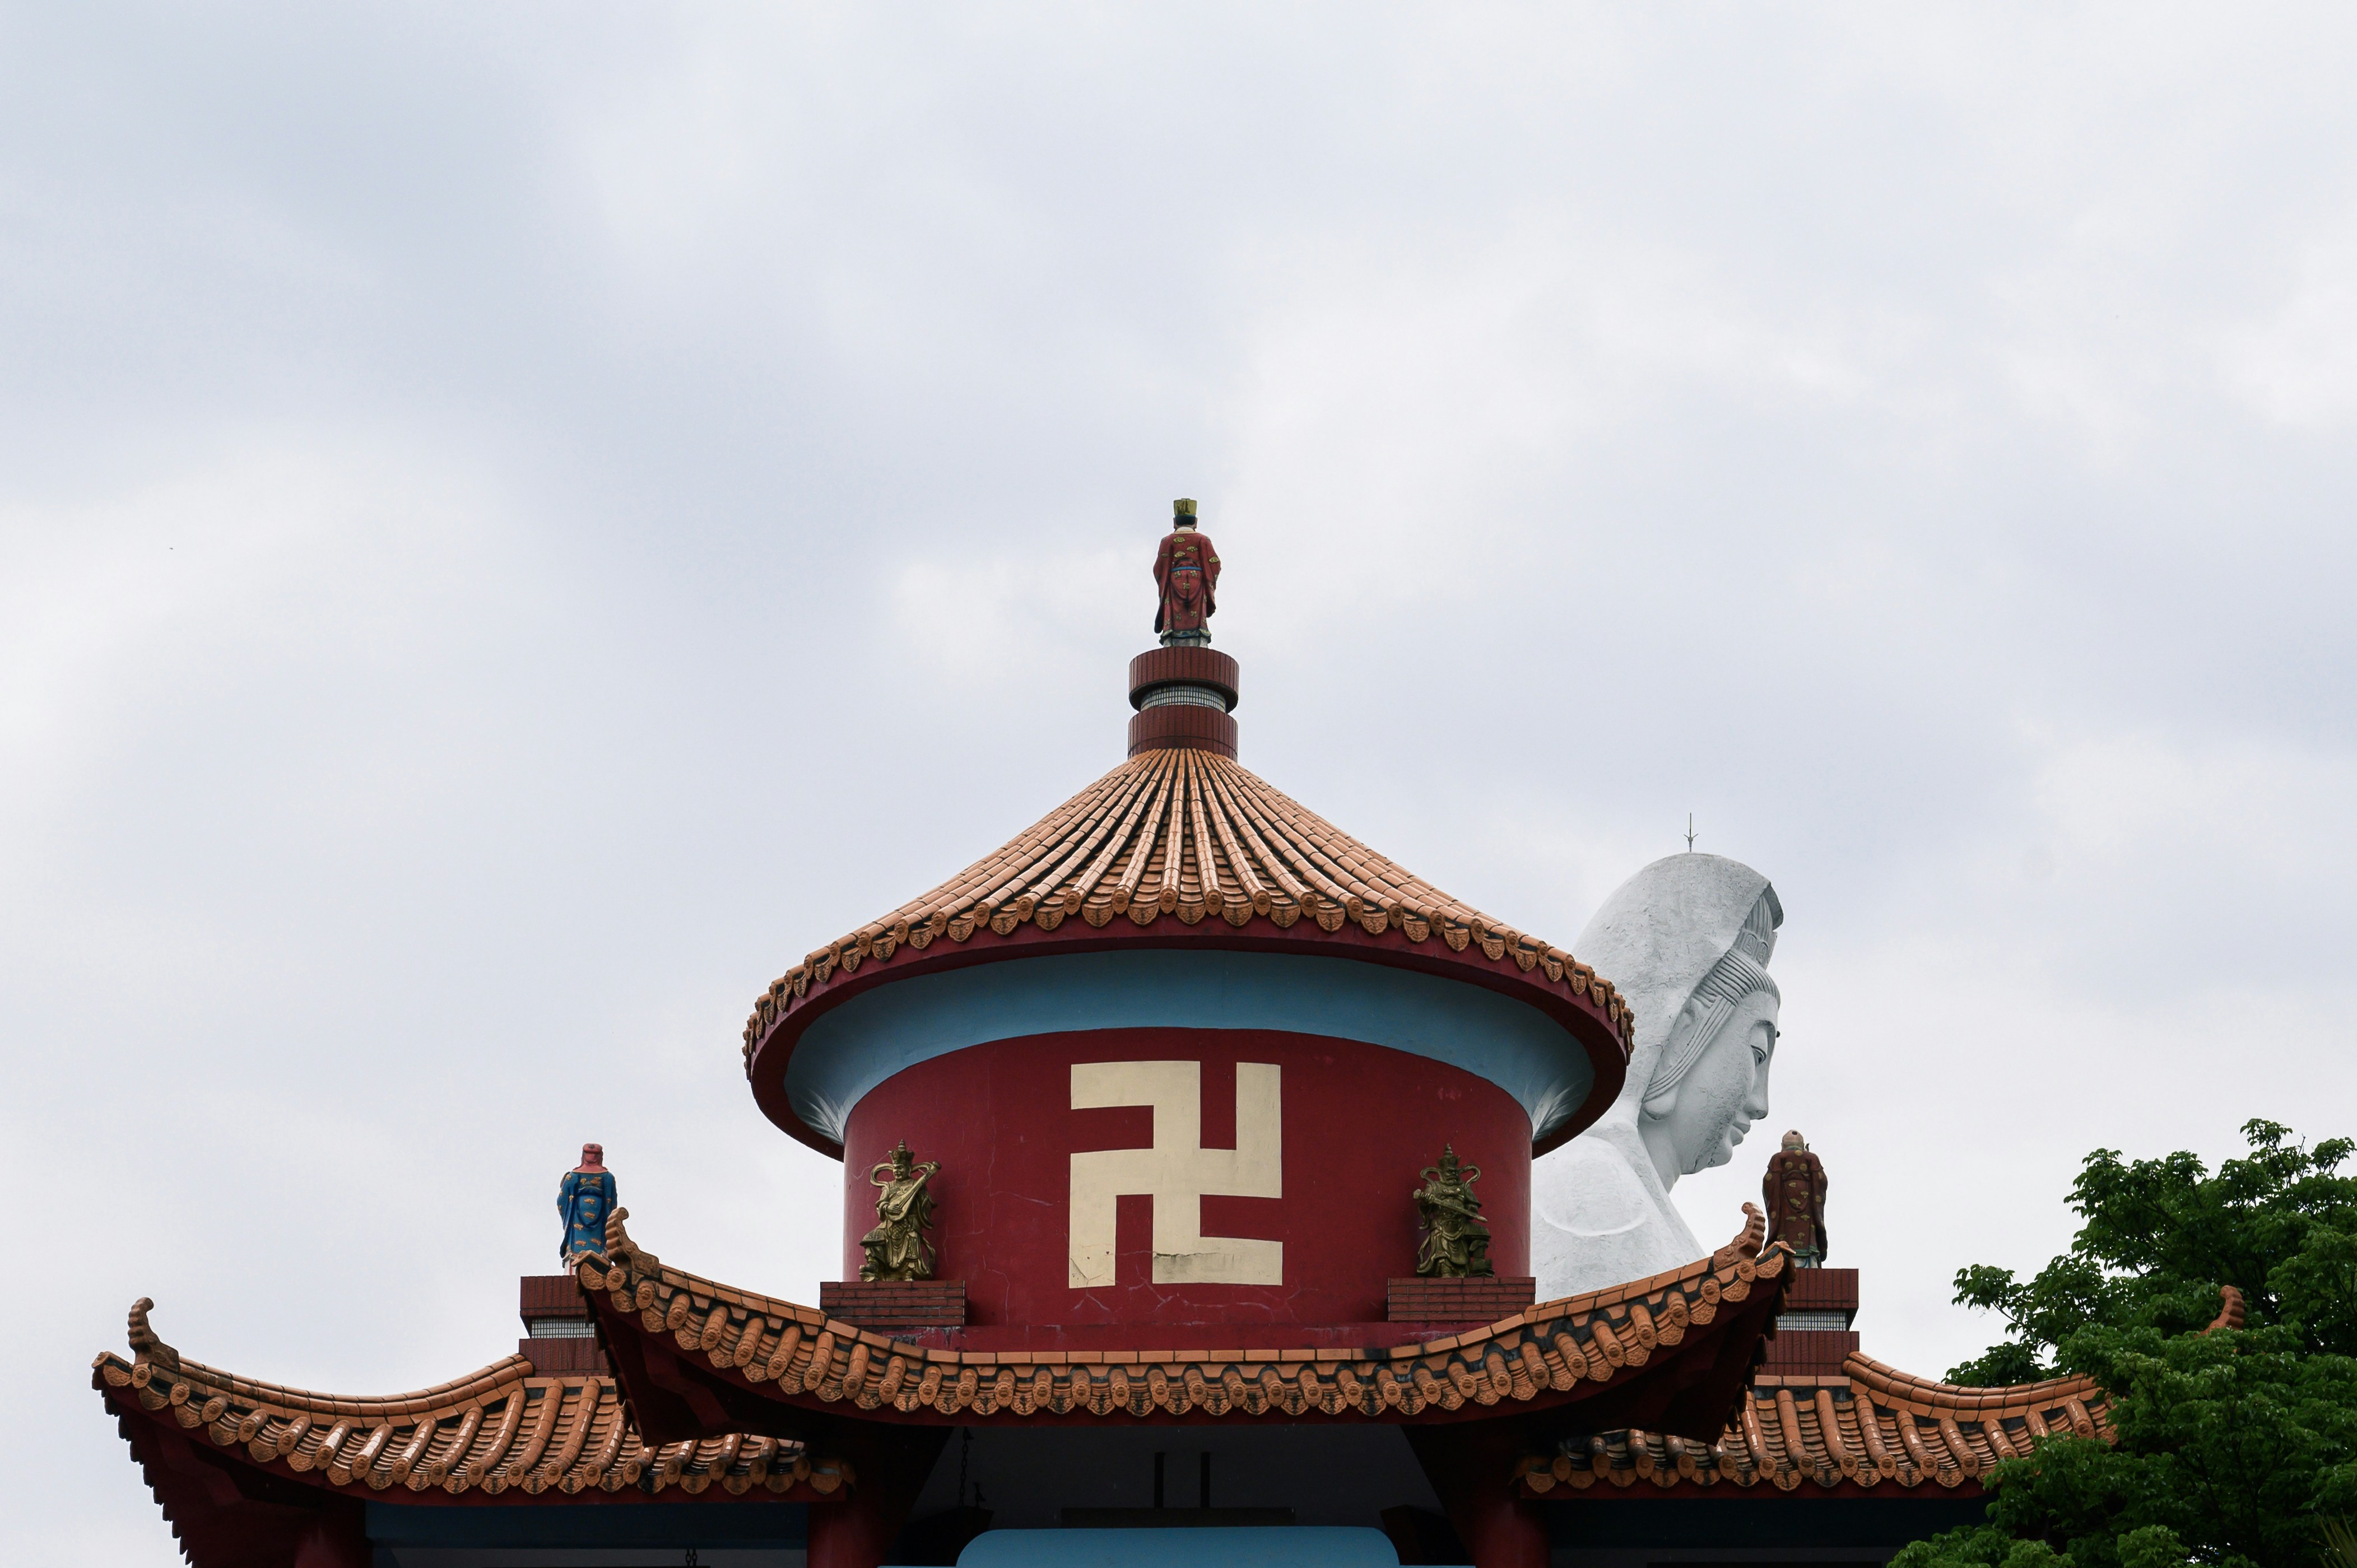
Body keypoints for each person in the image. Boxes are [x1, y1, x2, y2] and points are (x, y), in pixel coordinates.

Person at [1531, 854, 1783, 1297]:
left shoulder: (1630, 1195)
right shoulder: (1590, 1190)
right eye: (1755, 1054)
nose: (1761, 1104)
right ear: (1682, 1033)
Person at [861, 1141, 942, 1282]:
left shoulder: (915, 1184)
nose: (897, 1171)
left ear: (909, 1169)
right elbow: (881, 1204)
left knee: (912, 1237)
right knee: (871, 1239)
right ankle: (874, 1266)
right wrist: (887, 1207)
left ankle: (908, 1272)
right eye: (895, 1168)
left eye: (901, 1168)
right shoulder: (889, 1186)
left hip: (909, 1222)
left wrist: (921, 1198)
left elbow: (926, 1205)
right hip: (889, 1225)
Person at [1412, 1146, 1494, 1277]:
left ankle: (1479, 1263)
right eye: (1448, 1172)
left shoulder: (1463, 1187)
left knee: (1482, 1232)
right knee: (1441, 1245)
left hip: (1460, 1223)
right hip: (1442, 1224)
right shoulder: (1434, 1187)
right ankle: (1445, 1270)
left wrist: (1470, 1210)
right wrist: (1426, 1202)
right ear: (1442, 1172)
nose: (1452, 1174)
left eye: (1454, 1172)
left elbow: (1473, 1206)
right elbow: (1425, 1207)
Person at [1152, 499, 1221, 643]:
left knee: (1173, 610)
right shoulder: (1203, 540)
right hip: (1198, 579)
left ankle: (1170, 635)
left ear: (1174, 523)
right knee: (1197, 611)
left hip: (1174, 580)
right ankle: (1199, 635)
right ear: (1195, 522)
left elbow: (1159, 568)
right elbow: (1215, 564)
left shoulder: (1167, 541)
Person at [1763, 1130, 1828, 1266]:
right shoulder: (1813, 1159)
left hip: (1784, 1208)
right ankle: (1811, 1261)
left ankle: (1784, 1257)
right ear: (1803, 1145)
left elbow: (1770, 1184)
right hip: (1809, 1209)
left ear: (1782, 1145)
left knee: (1784, 1233)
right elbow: (1821, 1182)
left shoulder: (1778, 1158)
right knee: (1810, 1232)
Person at [556, 1143, 616, 1263]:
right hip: (577, 1217)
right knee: (577, 1245)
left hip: (600, 1219)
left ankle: (600, 1256)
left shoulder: (607, 1177)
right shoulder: (574, 1176)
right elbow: (562, 1200)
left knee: (598, 1246)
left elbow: (612, 1202)